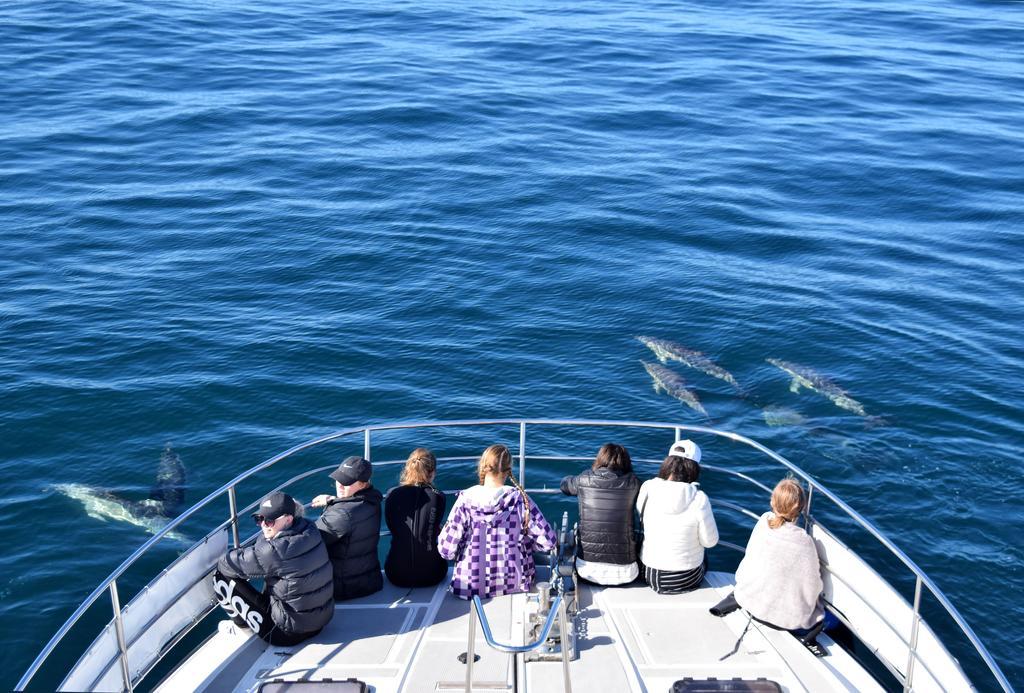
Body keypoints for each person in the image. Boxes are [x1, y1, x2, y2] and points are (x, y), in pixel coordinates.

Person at [212, 492, 333, 645]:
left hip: (285, 634)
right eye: (259, 519)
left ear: (289, 519)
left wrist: (260, 546)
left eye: (269, 521)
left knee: (220, 577)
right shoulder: (310, 529)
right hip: (319, 623)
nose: (263, 525)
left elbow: (226, 563)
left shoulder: (273, 551)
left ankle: (243, 629)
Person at [437, 444, 556, 599]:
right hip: (515, 583)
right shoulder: (520, 499)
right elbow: (549, 541)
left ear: (483, 466)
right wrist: (526, 543)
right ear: (508, 470)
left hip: (470, 586)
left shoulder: (465, 500)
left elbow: (446, 550)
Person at [730, 477, 826, 651]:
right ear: (801, 508)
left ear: (772, 502)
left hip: (750, 602)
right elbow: (813, 585)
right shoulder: (804, 541)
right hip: (786, 620)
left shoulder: (763, 521)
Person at [637, 439, 719, 594]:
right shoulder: (699, 498)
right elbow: (710, 542)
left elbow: (640, 513)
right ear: (694, 467)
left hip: (648, 572)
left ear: (668, 463)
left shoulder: (647, 487)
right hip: (683, 577)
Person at [560, 443, 640, 585]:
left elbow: (564, 485)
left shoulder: (584, 479)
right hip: (626, 573)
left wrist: (570, 478)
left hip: (587, 571)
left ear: (600, 460)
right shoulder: (634, 483)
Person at [313, 455, 384, 600]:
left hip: (344, 587)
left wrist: (293, 516)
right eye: (339, 478)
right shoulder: (373, 499)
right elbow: (352, 507)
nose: (339, 484)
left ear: (363, 484)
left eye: (346, 482)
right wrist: (333, 500)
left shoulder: (341, 514)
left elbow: (310, 539)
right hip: (369, 579)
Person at [383, 447, 448, 587]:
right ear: (433, 473)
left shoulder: (391, 495)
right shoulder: (439, 497)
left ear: (407, 469)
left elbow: (392, 526)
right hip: (433, 574)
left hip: (395, 574)